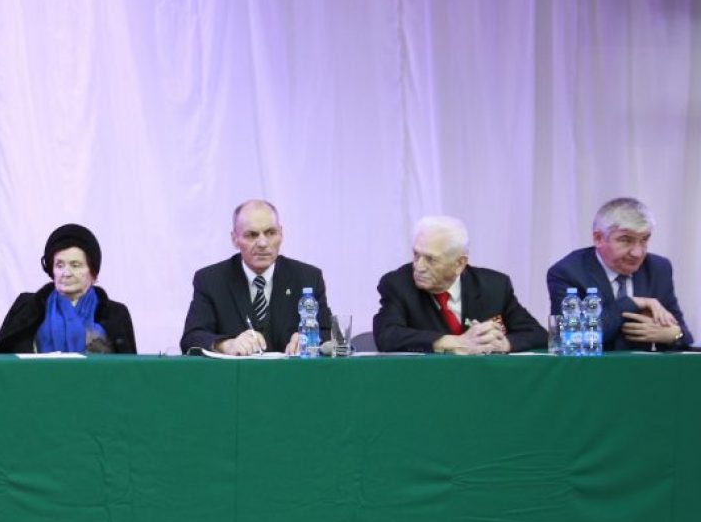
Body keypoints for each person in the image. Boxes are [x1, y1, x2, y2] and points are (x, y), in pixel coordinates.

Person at [373, 215, 546, 354]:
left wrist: (503, 344)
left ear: (459, 264)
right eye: (416, 254)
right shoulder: (398, 284)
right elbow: (387, 336)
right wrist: (453, 343)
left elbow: (537, 334)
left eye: (431, 259)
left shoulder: (495, 286)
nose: (419, 267)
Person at [180, 199, 330, 355]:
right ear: (234, 239)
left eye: (270, 233)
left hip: (292, 370)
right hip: (236, 371)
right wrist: (225, 344)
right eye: (251, 235)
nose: (263, 243)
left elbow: (328, 333)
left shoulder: (308, 278)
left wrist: (312, 338)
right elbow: (191, 337)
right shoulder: (210, 280)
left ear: (281, 234)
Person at [547, 197, 692, 351]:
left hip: (643, 365)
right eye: (626, 240)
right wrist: (631, 303)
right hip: (591, 365)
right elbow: (568, 339)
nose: (637, 253)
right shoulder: (567, 272)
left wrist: (674, 335)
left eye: (644, 240)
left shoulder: (658, 268)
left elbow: (684, 335)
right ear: (598, 238)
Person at [0, 223, 136, 353]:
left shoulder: (115, 314)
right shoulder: (26, 308)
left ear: (93, 272)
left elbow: (130, 370)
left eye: (75, 265)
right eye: (59, 265)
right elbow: (1, 363)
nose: (66, 273)